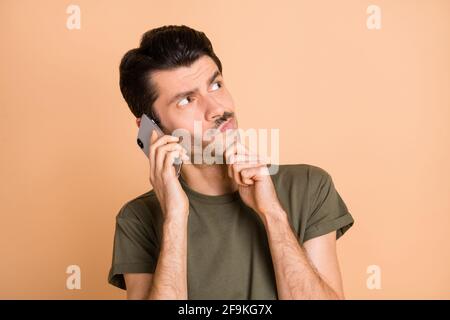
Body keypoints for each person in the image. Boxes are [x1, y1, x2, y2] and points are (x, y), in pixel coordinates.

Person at [108, 25, 354, 300]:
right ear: (150, 128)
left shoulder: (309, 187)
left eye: (216, 85)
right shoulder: (138, 219)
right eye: (187, 100)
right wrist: (175, 218)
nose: (217, 109)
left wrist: (272, 214)